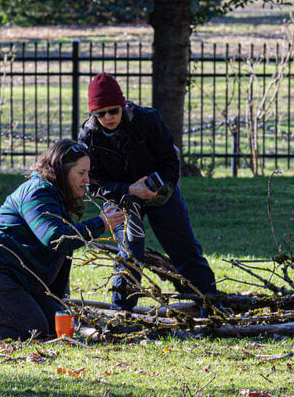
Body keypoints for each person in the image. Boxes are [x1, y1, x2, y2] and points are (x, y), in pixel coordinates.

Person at [0, 139, 125, 339]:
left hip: (6, 276)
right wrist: (100, 224)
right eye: (81, 173)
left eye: (88, 173)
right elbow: (57, 239)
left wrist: (58, 305)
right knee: (32, 329)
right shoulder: (38, 191)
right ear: (63, 172)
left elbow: (59, 254)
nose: (87, 180)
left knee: (54, 323)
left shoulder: (56, 196)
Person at [77, 73, 218, 310]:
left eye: (113, 110)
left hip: (159, 192)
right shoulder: (88, 136)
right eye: (100, 113)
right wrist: (128, 190)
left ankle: (210, 304)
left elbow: (171, 163)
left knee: (183, 247)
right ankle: (122, 312)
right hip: (122, 198)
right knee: (130, 252)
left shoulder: (148, 119)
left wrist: (154, 188)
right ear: (93, 114)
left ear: (122, 106)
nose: (108, 117)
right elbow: (94, 183)